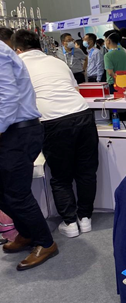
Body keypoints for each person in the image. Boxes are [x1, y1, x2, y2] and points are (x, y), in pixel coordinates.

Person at [15, 30, 99, 237]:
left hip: (52, 121)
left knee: (61, 176)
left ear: (18, 50)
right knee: (86, 171)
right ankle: (85, 219)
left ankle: (70, 223)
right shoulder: (56, 61)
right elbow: (75, 89)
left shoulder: (17, 64)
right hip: (82, 114)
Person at [0, 35, 58, 270]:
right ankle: (26, 233)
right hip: (10, 131)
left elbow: (7, 98)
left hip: (18, 131)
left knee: (17, 193)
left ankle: (45, 243)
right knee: (4, 192)